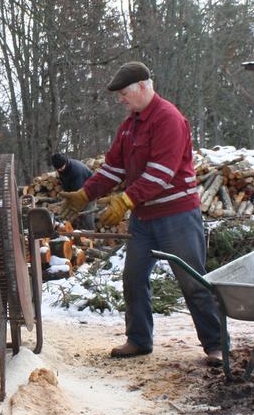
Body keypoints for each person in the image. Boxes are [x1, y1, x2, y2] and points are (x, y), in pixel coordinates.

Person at [55, 61, 222, 366]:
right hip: (144, 217)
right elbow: (113, 169)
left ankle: (216, 344)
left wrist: (124, 200)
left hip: (177, 215)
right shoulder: (129, 126)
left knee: (193, 281)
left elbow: (161, 173)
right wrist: (85, 193)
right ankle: (139, 340)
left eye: (124, 93)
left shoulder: (168, 119)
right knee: (133, 277)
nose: (121, 99)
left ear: (144, 86)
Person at [51, 153, 95, 230]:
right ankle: (79, 234)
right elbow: (65, 183)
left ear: (65, 162)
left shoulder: (76, 170)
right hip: (76, 191)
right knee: (75, 216)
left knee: (86, 215)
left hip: (89, 191)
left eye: (61, 167)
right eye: (58, 169)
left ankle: (91, 235)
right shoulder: (62, 168)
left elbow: (78, 191)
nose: (60, 170)